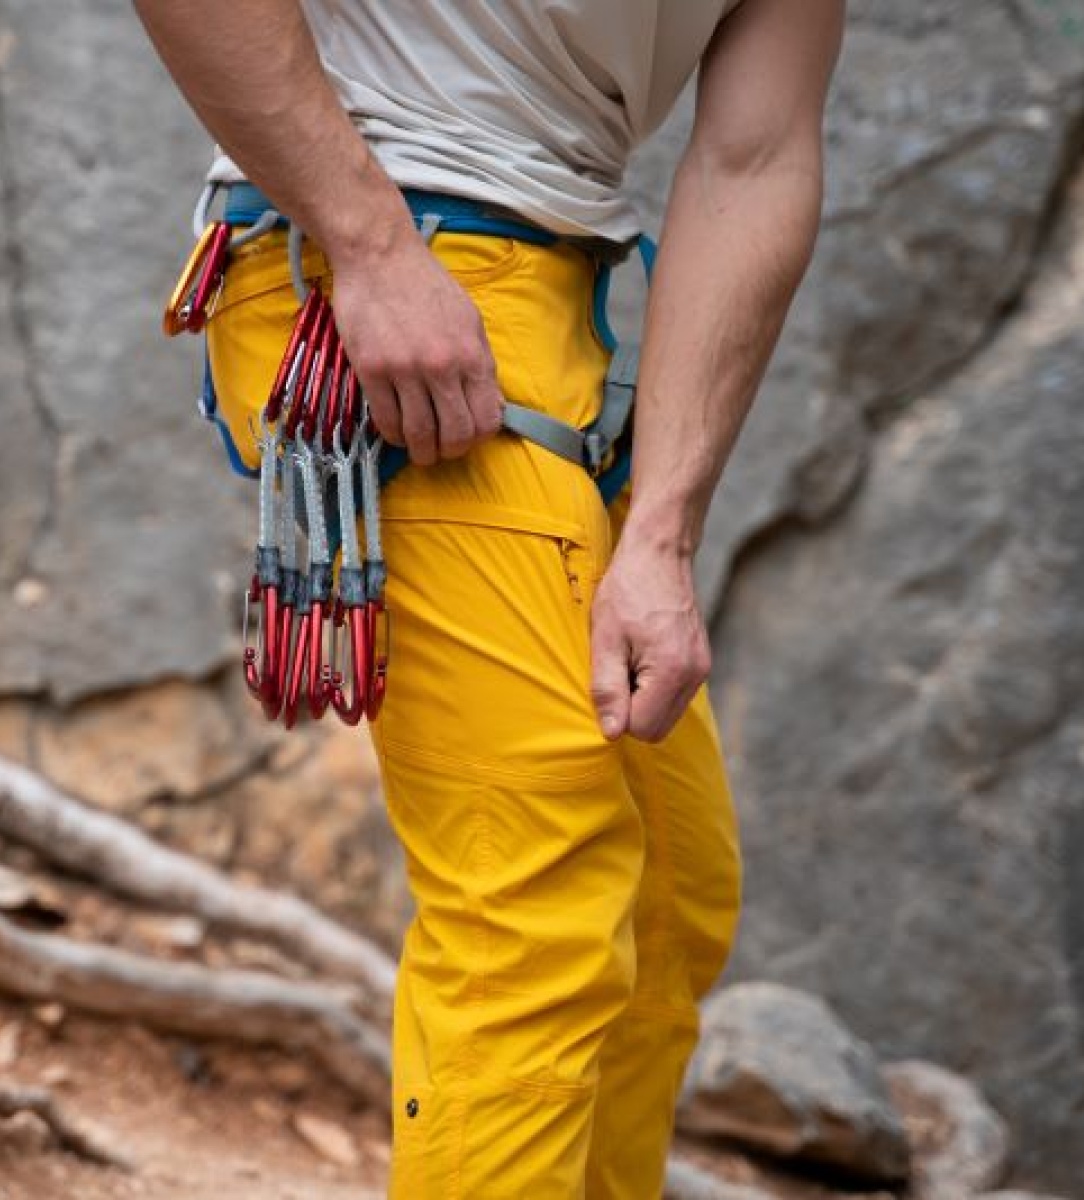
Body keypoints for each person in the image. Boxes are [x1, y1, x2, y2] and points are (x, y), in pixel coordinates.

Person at [133, 2, 845, 1195]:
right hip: (389, 265)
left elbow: (756, 158)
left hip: (560, 314)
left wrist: (660, 534)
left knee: (670, 902)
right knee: (534, 905)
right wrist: (370, 249)